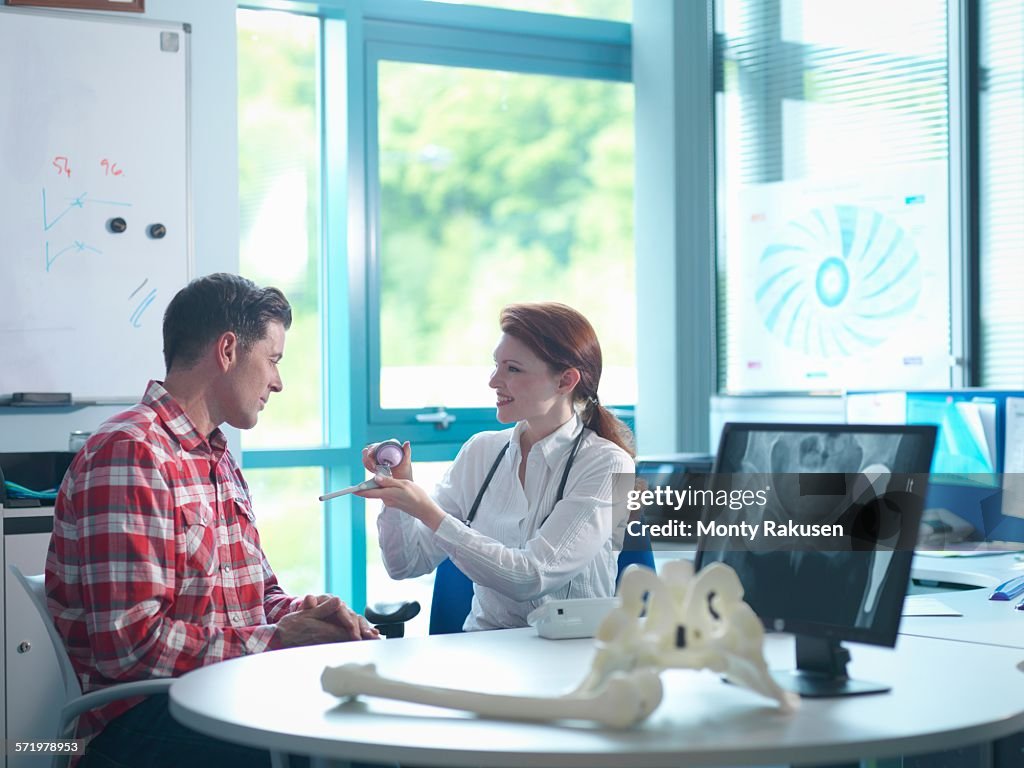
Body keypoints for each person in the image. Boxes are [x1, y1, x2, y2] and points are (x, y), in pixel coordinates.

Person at [46, 273, 378, 768]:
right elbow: (131, 650)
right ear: (228, 350)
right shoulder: (131, 452)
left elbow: (257, 599)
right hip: (138, 723)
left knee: (368, 726)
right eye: (274, 359)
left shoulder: (218, 460)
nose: (278, 382)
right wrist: (283, 637)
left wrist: (307, 614)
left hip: (219, 695)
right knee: (332, 750)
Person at [359, 302, 636, 631]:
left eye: (513, 369)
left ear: (565, 381)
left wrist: (430, 513)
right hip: (484, 652)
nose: (493, 381)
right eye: (496, 366)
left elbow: (532, 577)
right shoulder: (482, 451)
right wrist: (398, 495)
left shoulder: (607, 464)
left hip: (569, 656)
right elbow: (405, 564)